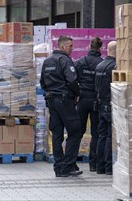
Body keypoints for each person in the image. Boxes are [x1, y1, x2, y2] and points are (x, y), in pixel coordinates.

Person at [40, 36, 82, 177]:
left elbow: (43, 83)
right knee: (75, 131)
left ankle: (58, 167)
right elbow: (72, 80)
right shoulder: (65, 60)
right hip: (65, 101)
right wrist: (77, 93)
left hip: (52, 101)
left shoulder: (47, 62)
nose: (72, 48)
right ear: (62, 47)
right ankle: (68, 166)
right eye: (70, 46)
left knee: (57, 134)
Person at [75, 37, 103, 172]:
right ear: (101, 48)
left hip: (82, 99)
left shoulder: (80, 62)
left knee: (77, 131)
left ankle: (71, 161)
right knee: (96, 133)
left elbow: (72, 79)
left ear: (89, 46)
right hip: (96, 101)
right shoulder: (102, 64)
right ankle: (94, 164)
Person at [94, 40, 116, 175]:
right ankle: (108, 167)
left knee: (101, 136)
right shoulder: (113, 66)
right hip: (109, 103)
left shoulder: (99, 65)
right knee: (109, 136)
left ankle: (99, 166)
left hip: (101, 104)